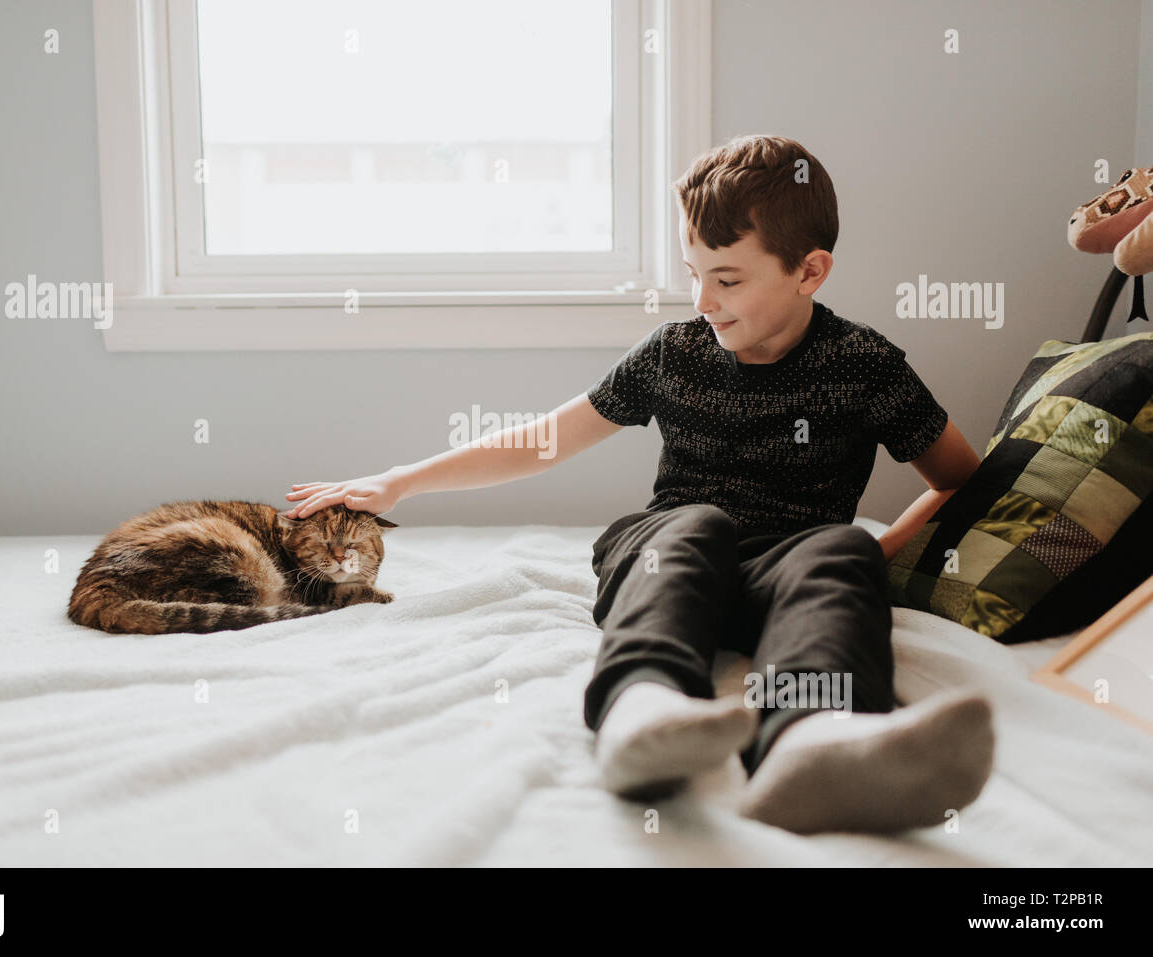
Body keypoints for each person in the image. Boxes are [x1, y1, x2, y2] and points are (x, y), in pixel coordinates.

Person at [284, 134, 994, 834]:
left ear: (809, 271)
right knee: (697, 525)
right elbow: (543, 441)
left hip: (783, 570)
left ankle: (810, 743)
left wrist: (880, 551)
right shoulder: (674, 352)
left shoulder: (863, 363)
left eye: (728, 279)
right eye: (693, 273)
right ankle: (642, 710)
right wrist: (402, 482)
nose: (703, 299)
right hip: (675, 558)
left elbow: (963, 478)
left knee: (837, 546)